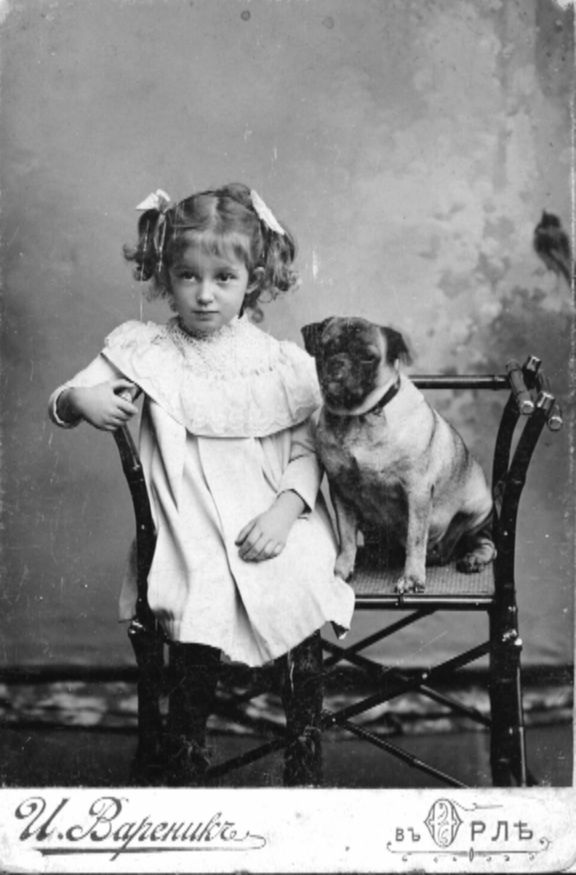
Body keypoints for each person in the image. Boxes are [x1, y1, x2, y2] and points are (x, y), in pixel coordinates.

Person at [48, 182, 355, 786]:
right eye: (188, 276)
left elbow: (309, 449)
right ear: (167, 276)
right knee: (199, 594)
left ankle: (304, 758)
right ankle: (187, 758)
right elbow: (62, 397)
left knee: (298, 578)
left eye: (224, 278)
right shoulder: (147, 349)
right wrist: (81, 400)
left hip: (274, 513)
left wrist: (285, 510)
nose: (205, 294)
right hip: (187, 521)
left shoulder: (279, 362)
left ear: (253, 281)